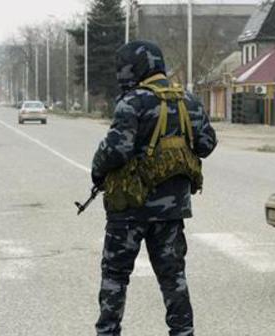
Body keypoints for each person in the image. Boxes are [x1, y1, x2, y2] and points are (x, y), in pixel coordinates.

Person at [91, 40, 217, 336]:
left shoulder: (132, 101)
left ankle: (108, 332)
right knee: (173, 277)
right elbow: (207, 144)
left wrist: (97, 172)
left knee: (115, 276)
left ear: (136, 67)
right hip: (172, 210)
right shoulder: (188, 100)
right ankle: (183, 333)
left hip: (129, 211)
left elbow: (116, 150)